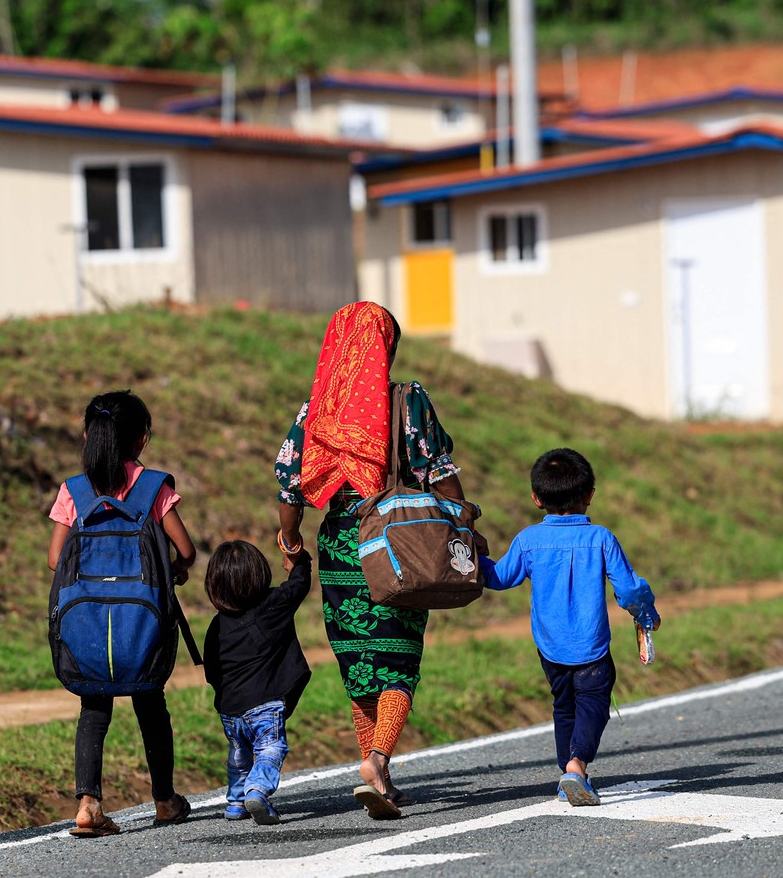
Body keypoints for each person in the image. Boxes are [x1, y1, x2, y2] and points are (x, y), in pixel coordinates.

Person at [275, 300, 472, 820]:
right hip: (393, 541)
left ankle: (376, 772)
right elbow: (437, 470)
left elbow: (290, 484)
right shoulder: (408, 402)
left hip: (339, 541)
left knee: (359, 659)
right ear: (386, 347)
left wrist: (290, 538)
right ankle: (378, 760)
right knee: (398, 657)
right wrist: (463, 516)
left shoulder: (315, 410)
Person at [47, 390, 197, 837]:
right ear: (142, 439)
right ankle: (165, 800)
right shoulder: (154, 487)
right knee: (151, 703)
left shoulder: (73, 491)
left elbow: (56, 560)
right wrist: (173, 571)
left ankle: (88, 804)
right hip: (142, 624)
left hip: (88, 625)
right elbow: (185, 550)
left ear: (87, 437)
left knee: (93, 708)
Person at [480, 447, 661, 807]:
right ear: (590, 494)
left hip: (549, 648)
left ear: (536, 498)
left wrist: (468, 555)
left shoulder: (528, 540)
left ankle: (569, 777)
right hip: (591, 646)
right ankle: (577, 767)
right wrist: (646, 614)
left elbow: (499, 578)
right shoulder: (601, 538)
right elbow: (627, 590)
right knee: (593, 703)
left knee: (564, 708)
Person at [202, 539, 313, 826]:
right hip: (265, 704)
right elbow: (299, 585)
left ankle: (237, 802)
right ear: (259, 574)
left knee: (239, 757)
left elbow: (212, 670)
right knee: (270, 748)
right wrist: (300, 561)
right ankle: (258, 790)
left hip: (231, 709)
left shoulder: (217, 624)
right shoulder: (273, 604)